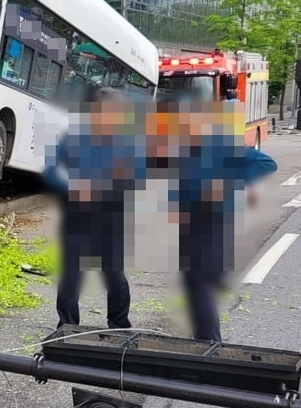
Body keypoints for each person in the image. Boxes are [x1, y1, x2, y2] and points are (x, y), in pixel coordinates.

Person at [166, 104, 277, 343]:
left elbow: (267, 163)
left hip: (208, 223)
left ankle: (209, 343)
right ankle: (204, 339)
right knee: (196, 280)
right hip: (203, 223)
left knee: (200, 281)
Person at [43, 90, 143, 331]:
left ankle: (119, 325)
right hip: (77, 215)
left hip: (111, 217)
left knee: (114, 274)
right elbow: (51, 171)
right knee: (71, 274)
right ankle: (67, 326)